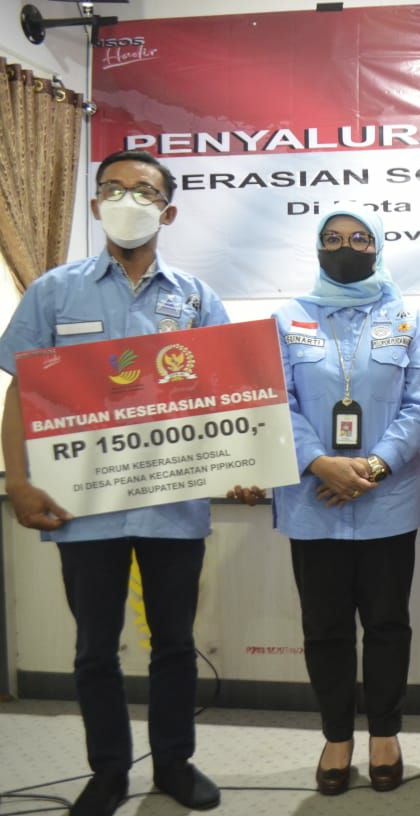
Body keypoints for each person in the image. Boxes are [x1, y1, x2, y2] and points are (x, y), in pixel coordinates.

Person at [0, 150, 245, 815]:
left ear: (168, 212)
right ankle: (108, 772)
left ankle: (173, 764)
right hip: (83, 507)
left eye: (143, 191)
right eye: (113, 188)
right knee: (93, 650)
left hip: (173, 504)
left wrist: (244, 467)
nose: (126, 200)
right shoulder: (54, 291)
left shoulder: (196, 299)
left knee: (175, 645)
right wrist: (18, 480)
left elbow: (230, 395)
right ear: (95, 204)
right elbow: (22, 391)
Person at [271, 206, 420, 796]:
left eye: (359, 238)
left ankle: (385, 733)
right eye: (334, 238)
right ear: (318, 248)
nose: (346, 247)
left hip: (388, 501)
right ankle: (337, 736)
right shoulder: (287, 319)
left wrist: (373, 464)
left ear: (378, 247)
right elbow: (276, 401)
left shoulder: (408, 318)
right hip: (313, 500)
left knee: (388, 624)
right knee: (325, 628)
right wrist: (320, 461)